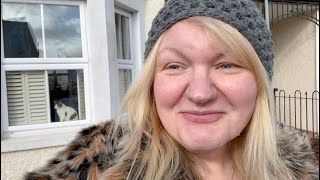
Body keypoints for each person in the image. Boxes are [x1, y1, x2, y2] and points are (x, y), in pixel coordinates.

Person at [25, 0, 318, 179]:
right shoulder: (94, 167)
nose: (200, 94)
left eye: (227, 65)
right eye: (175, 66)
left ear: (259, 84)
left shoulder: (300, 167)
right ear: (151, 82)